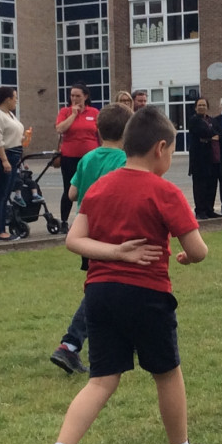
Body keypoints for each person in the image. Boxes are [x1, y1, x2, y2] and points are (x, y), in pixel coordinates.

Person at [30, 107, 214, 444]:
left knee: (101, 380)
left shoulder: (100, 188)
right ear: (160, 149)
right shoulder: (165, 191)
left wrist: (114, 253)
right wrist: (185, 256)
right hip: (147, 294)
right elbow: (199, 250)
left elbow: (74, 240)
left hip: (99, 294)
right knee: (166, 373)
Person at [50, 104, 132, 375]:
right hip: (111, 233)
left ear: (97, 130)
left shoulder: (87, 158)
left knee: (108, 288)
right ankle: (70, 344)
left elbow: (72, 193)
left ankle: (121, 340)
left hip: (86, 231)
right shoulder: (124, 160)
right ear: (128, 131)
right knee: (103, 290)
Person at [0, 87, 29, 241]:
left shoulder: (9, 114)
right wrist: (4, 160)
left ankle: (2, 228)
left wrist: (23, 139)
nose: (16, 101)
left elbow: (10, 134)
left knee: (5, 194)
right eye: (15, 98)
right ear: (7, 99)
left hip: (12, 156)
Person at [53, 84, 99, 225]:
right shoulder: (65, 111)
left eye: (78, 96)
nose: (74, 98)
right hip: (70, 157)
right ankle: (64, 221)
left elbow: (99, 133)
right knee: (69, 188)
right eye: (72, 95)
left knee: (91, 187)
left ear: (85, 96)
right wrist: (73, 115)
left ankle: (91, 218)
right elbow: (60, 129)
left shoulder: (94, 112)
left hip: (90, 157)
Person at [186, 97, 220, 220]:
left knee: (212, 185)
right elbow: (203, 132)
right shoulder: (193, 120)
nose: (202, 107)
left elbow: (219, 132)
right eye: (199, 105)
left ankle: (209, 209)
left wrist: (208, 137)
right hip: (199, 160)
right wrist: (211, 136)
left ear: (207, 107)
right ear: (195, 107)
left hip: (212, 158)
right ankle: (200, 211)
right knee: (200, 186)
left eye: (204, 105)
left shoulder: (212, 120)